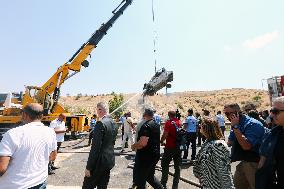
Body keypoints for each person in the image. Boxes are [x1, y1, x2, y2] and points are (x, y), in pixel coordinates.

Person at [0, 103, 57, 189]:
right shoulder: (50, 132)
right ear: (41, 116)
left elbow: (2, 168)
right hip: (40, 182)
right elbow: (52, 157)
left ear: (24, 114)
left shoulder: (12, 134)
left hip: (14, 185)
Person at [224, 103, 265, 189]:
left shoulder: (253, 124)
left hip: (254, 162)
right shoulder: (236, 122)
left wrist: (235, 127)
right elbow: (230, 142)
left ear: (236, 113)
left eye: (228, 113)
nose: (226, 116)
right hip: (243, 161)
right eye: (225, 113)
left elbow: (246, 146)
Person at [82, 102, 118, 189]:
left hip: (98, 163)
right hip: (108, 161)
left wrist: (89, 167)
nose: (97, 112)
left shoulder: (100, 124)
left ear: (100, 110)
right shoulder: (114, 123)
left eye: (97, 110)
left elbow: (95, 148)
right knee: (102, 186)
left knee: (87, 186)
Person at [193, 118, 234, 189]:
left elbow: (223, 172)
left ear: (206, 129)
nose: (200, 128)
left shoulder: (218, 145)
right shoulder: (207, 143)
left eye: (201, 127)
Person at [256, 96, 284, 189]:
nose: (271, 115)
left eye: (275, 112)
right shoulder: (272, 135)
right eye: (271, 111)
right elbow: (263, 163)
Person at [131, 108, 163, 189]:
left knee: (140, 180)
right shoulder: (156, 125)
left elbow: (142, 143)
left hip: (146, 157)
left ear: (144, 115)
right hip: (155, 155)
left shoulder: (145, 126)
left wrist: (134, 146)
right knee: (150, 177)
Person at [160, 111, 182, 189]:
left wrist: (161, 141)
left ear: (169, 115)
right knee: (177, 166)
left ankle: (163, 183)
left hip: (169, 147)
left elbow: (165, 134)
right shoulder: (179, 122)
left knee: (165, 164)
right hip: (178, 147)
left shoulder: (168, 123)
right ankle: (175, 185)